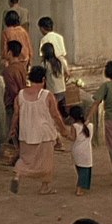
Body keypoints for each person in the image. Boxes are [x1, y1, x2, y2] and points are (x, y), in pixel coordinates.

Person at [9, 66, 69, 195]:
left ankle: (18, 174)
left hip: (26, 133)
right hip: (44, 133)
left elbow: (16, 114)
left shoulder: (20, 95)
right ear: (43, 79)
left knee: (25, 158)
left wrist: (12, 128)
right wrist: (63, 129)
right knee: (46, 161)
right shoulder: (47, 95)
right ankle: (45, 186)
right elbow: (55, 115)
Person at [66, 106, 94, 196]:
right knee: (85, 169)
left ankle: (80, 186)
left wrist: (65, 135)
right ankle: (79, 189)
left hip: (76, 150)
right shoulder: (90, 126)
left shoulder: (75, 126)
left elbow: (72, 138)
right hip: (86, 151)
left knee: (79, 168)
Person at [2, 40, 28, 130]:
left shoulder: (8, 71)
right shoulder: (22, 67)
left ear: (9, 53)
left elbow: (12, 90)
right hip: (24, 101)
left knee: (11, 130)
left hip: (12, 104)